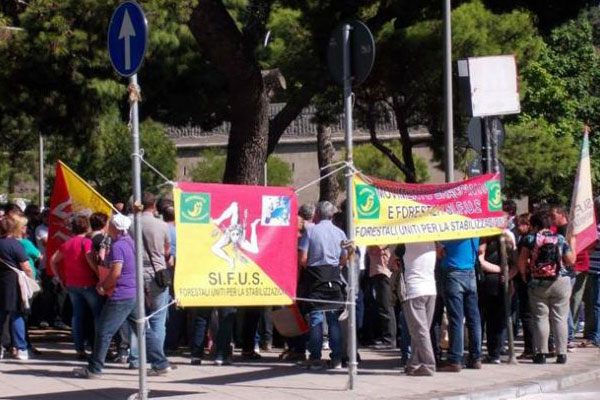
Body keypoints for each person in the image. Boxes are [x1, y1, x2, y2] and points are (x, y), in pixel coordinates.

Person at [73, 214, 171, 378]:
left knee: (104, 330)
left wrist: (104, 286)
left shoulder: (118, 246)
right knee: (142, 331)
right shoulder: (130, 242)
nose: (107, 226)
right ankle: (160, 363)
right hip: (133, 292)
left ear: (115, 228)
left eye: (110, 224)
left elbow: (116, 272)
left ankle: (94, 368)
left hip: (122, 294)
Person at [518, 211, 575, 364]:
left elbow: (522, 261)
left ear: (535, 225)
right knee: (560, 318)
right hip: (560, 281)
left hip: (538, 282)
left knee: (540, 318)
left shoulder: (530, 239)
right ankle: (562, 353)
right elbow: (570, 260)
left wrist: (525, 275)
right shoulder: (560, 238)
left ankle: (541, 353)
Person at [298, 201, 347, 370]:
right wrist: (337, 266)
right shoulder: (340, 233)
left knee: (316, 318)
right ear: (332, 215)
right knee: (334, 319)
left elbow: (302, 259)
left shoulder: (310, 232)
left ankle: (316, 357)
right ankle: (337, 358)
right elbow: (345, 257)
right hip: (334, 277)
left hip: (315, 277)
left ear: (317, 213)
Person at [50, 215, 103, 359]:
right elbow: (90, 260)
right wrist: (99, 274)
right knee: (97, 315)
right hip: (88, 283)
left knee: (77, 316)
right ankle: (99, 347)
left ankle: (79, 348)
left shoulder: (67, 244)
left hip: (72, 284)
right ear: (87, 227)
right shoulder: (86, 242)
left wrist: (59, 278)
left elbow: (53, 260)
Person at [129, 192, 171, 368]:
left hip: (134, 273)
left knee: (137, 318)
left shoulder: (130, 224)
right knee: (157, 319)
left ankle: (136, 359)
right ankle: (157, 360)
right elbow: (166, 250)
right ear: (153, 206)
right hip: (157, 275)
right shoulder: (161, 225)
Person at [437, 237, 482, 372]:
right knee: (473, 318)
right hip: (470, 271)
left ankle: (455, 359)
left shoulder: (453, 228)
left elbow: (441, 250)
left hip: (453, 271)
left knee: (456, 318)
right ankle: (476, 357)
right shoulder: (473, 228)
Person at [0, 217, 34, 360]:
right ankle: (21, 348)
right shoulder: (16, 245)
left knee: (0, 316)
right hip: (14, 283)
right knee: (17, 315)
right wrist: (31, 280)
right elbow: (26, 267)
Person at [401, 242, 437, 376]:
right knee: (421, 331)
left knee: (419, 331)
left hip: (414, 289)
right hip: (430, 289)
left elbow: (393, 260)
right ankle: (414, 363)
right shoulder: (432, 241)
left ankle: (428, 364)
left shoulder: (405, 242)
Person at [367, 245, 396, 348]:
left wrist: (370, 246)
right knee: (382, 306)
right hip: (377, 271)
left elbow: (375, 247)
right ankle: (385, 337)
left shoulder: (383, 234)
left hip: (384, 271)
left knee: (386, 306)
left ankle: (389, 340)